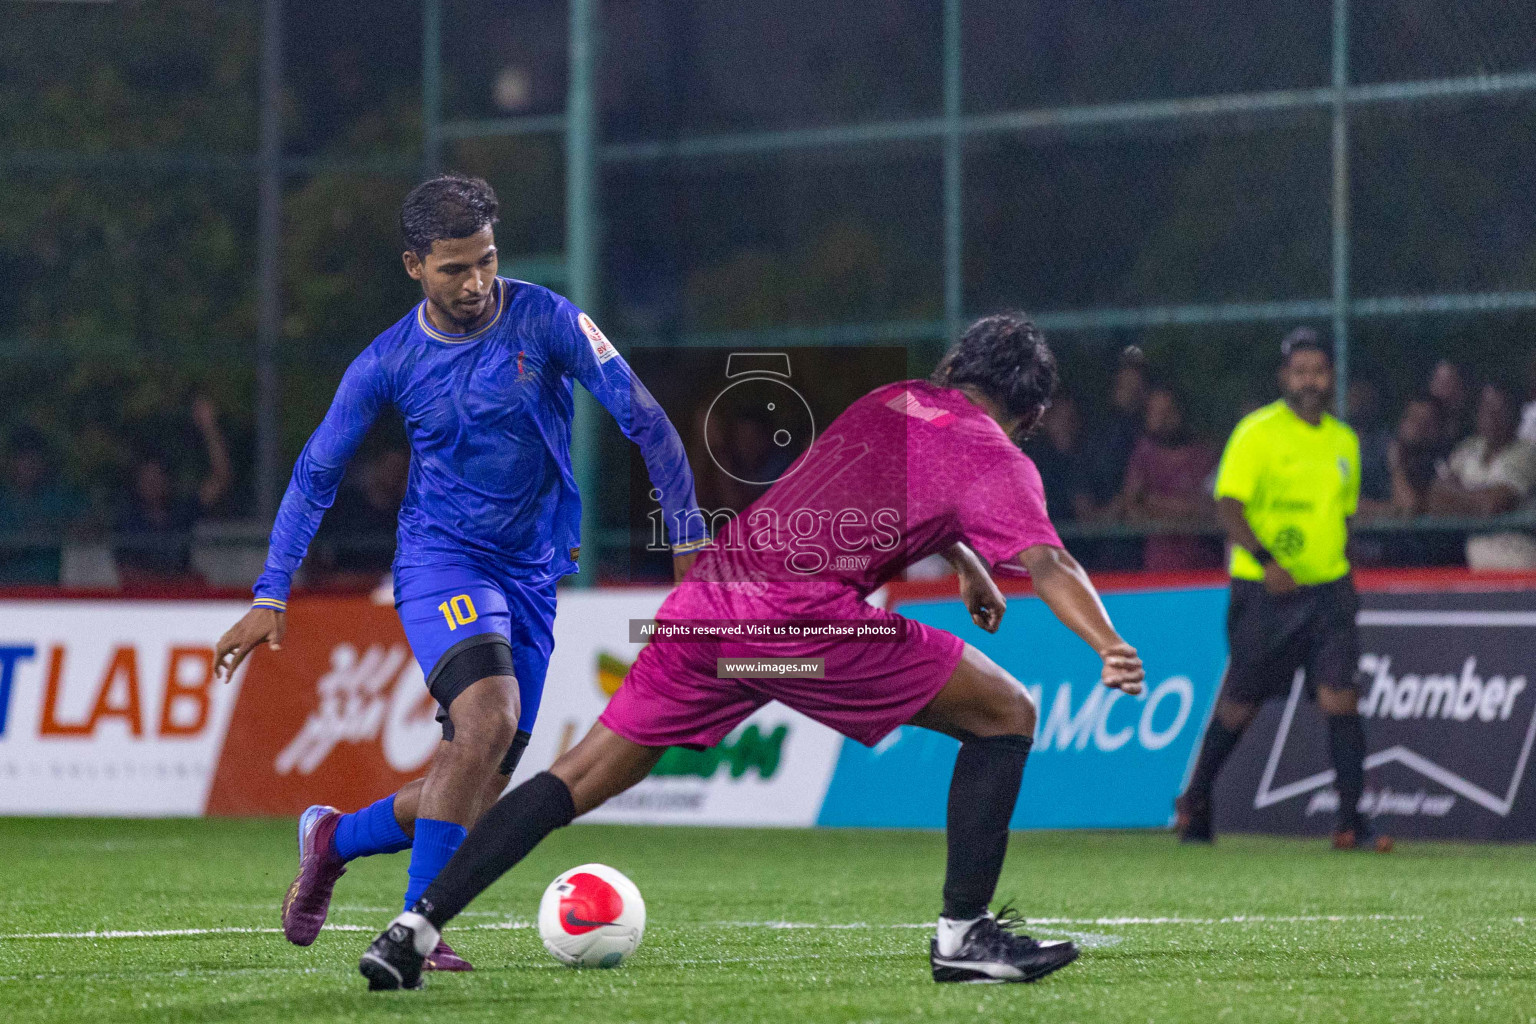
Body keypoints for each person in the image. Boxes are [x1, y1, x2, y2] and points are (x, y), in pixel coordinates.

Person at [357, 312, 1147, 991]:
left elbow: (876, 498)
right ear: (1029, 413)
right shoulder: (992, 450)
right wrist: (1108, 643)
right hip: (797, 620)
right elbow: (1052, 563)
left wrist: (967, 561)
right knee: (1007, 714)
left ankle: (412, 932)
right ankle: (964, 936)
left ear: (958, 369)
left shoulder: (891, 400)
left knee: (575, 779)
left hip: (711, 604)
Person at [212, 174, 708, 972]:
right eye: (454, 268)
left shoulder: (546, 317)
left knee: (475, 792)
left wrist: (688, 535)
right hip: (442, 560)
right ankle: (418, 928)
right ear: (414, 265)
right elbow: (315, 472)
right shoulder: (387, 361)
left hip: (534, 573)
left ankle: (333, 837)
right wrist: (271, 590)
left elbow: (645, 419)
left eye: (485, 261)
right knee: (484, 720)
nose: (476, 283)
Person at [1174, 328, 1387, 851]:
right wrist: (1267, 560)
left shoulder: (1344, 441)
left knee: (1341, 697)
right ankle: (1196, 801)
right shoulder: (1257, 431)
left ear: (1331, 376)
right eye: (1300, 371)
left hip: (1329, 590)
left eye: (1319, 371)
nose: (1310, 380)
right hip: (1266, 593)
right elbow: (1228, 504)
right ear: (1284, 377)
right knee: (1241, 703)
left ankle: (1351, 821)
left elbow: (1344, 512)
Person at [113, 396, 233, 584]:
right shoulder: (127, 518)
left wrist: (209, 427)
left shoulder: (181, 511)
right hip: (144, 604)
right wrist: (168, 583)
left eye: (157, 477)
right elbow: (126, 574)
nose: (153, 484)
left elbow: (220, 479)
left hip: (182, 601)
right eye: (147, 478)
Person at [1111, 385, 1221, 570]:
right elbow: (1132, 508)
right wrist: (1180, 510)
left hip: (1204, 569)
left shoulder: (1205, 455)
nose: (1161, 420)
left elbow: (1211, 510)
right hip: (1158, 570)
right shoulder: (1142, 455)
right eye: (1155, 412)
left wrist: (1153, 502)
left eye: (1167, 412)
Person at [1428, 383, 1536, 569]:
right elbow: (1435, 498)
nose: (1492, 418)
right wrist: (1478, 499)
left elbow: (1493, 504)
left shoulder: (1527, 453)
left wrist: (1456, 492)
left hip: (1519, 564)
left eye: (1500, 410)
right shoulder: (1468, 448)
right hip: (1474, 567)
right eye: (1486, 409)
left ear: (1516, 415)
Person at [0, 428, 85, 584]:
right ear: (10, 461)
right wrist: (24, 539)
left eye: (34, 458)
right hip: (7, 596)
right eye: (22, 458)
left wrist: (56, 528)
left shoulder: (60, 496)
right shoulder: (3, 499)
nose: (29, 465)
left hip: (53, 595)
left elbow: (94, 528)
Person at [1428, 359, 1472, 452]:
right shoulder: (1420, 429)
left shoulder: (1470, 433)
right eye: (1437, 381)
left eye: (1446, 384)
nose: (1439, 390)